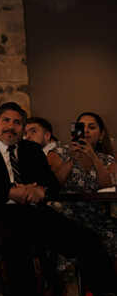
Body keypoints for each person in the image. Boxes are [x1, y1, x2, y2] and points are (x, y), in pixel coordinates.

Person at [0, 102, 112, 296]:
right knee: (16, 242)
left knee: (87, 239)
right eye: (6, 121)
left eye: (17, 122)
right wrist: (12, 191)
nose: (11, 126)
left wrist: (40, 190)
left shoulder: (31, 150)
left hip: (32, 213)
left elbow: (51, 185)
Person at [48, 111, 117, 268]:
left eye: (91, 127)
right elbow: (54, 184)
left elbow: (108, 186)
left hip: (97, 216)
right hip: (66, 215)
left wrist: (93, 157)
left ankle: (107, 289)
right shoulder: (59, 153)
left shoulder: (107, 160)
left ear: (100, 135)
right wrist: (73, 158)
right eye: (82, 127)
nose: (85, 131)